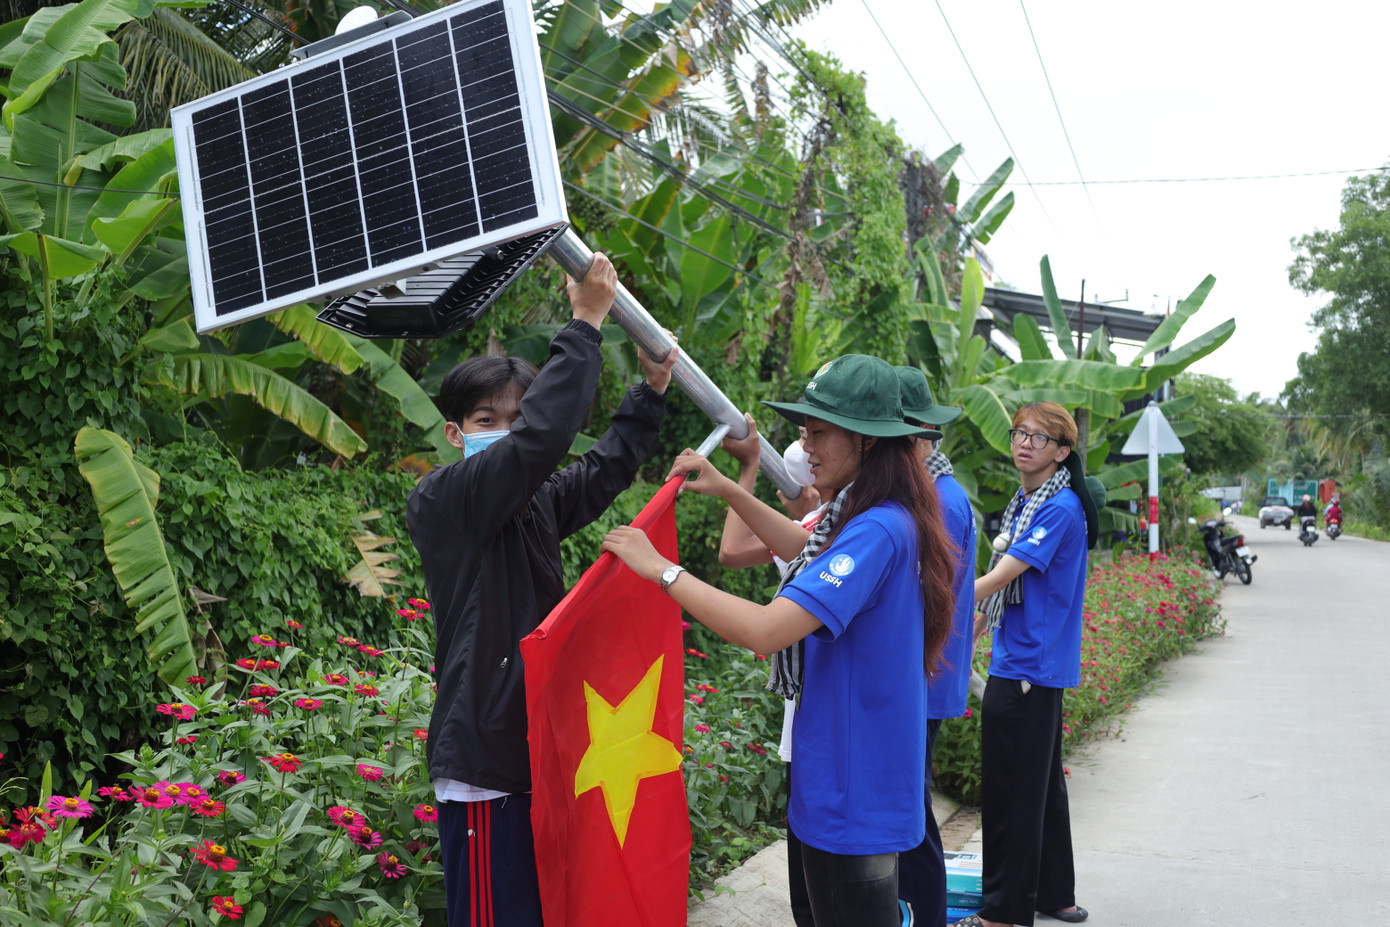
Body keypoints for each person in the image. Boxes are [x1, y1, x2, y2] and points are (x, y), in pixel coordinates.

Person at [602, 354, 958, 927]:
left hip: (853, 793)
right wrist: (731, 491)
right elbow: (801, 547)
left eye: (819, 432)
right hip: (847, 778)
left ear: (867, 441)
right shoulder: (864, 513)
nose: (806, 445)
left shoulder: (876, 528)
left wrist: (662, 570)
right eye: (803, 430)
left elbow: (767, 631)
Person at [406, 253, 679, 927]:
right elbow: (539, 441)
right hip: (482, 772)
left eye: (514, 416)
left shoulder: (532, 503)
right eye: (485, 420)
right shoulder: (446, 497)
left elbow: (599, 468)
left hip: (530, 758)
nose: (501, 431)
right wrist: (584, 321)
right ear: (453, 433)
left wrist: (650, 394)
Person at [960, 401, 1100, 927]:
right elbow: (1008, 578)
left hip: (1026, 666)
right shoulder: (1028, 501)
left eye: (1038, 438)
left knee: (1009, 793)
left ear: (1062, 452)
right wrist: (970, 630)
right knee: (1041, 789)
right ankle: (1052, 894)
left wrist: (949, 598)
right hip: (1028, 660)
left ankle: (1002, 912)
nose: (1023, 442)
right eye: (1019, 432)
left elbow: (1007, 571)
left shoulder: (1057, 507)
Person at [893, 367, 977, 927]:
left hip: (923, 678)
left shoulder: (940, 502)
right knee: (908, 808)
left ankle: (925, 916)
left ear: (920, 438)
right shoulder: (930, 493)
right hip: (922, 676)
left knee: (913, 815)